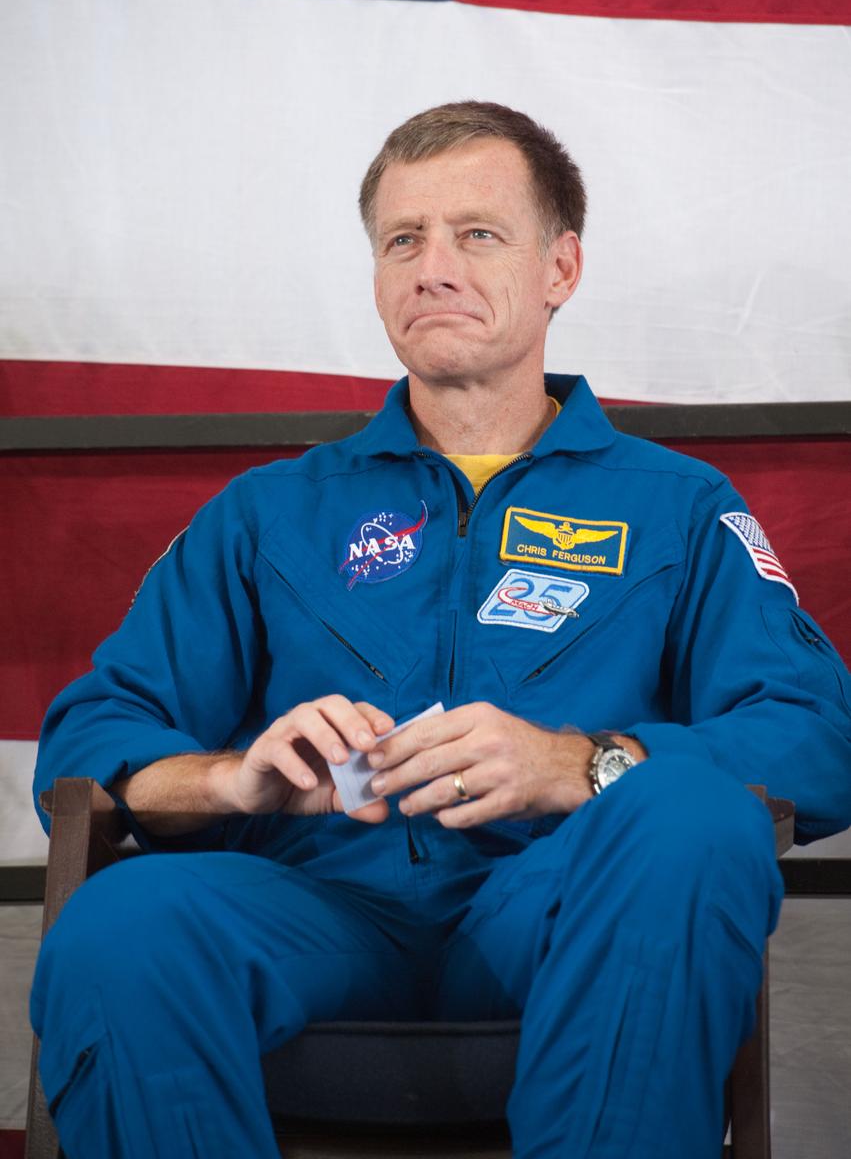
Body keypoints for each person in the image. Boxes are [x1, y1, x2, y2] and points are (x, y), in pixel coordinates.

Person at [31, 101, 851, 1159]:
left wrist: (575, 762)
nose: (432, 267)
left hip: (557, 904)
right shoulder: (266, 512)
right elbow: (94, 735)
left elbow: (814, 737)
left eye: (476, 233)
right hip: (313, 903)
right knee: (120, 922)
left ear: (559, 268)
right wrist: (231, 777)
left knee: (690, 816)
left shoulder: (679, 507)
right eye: (401, 239)